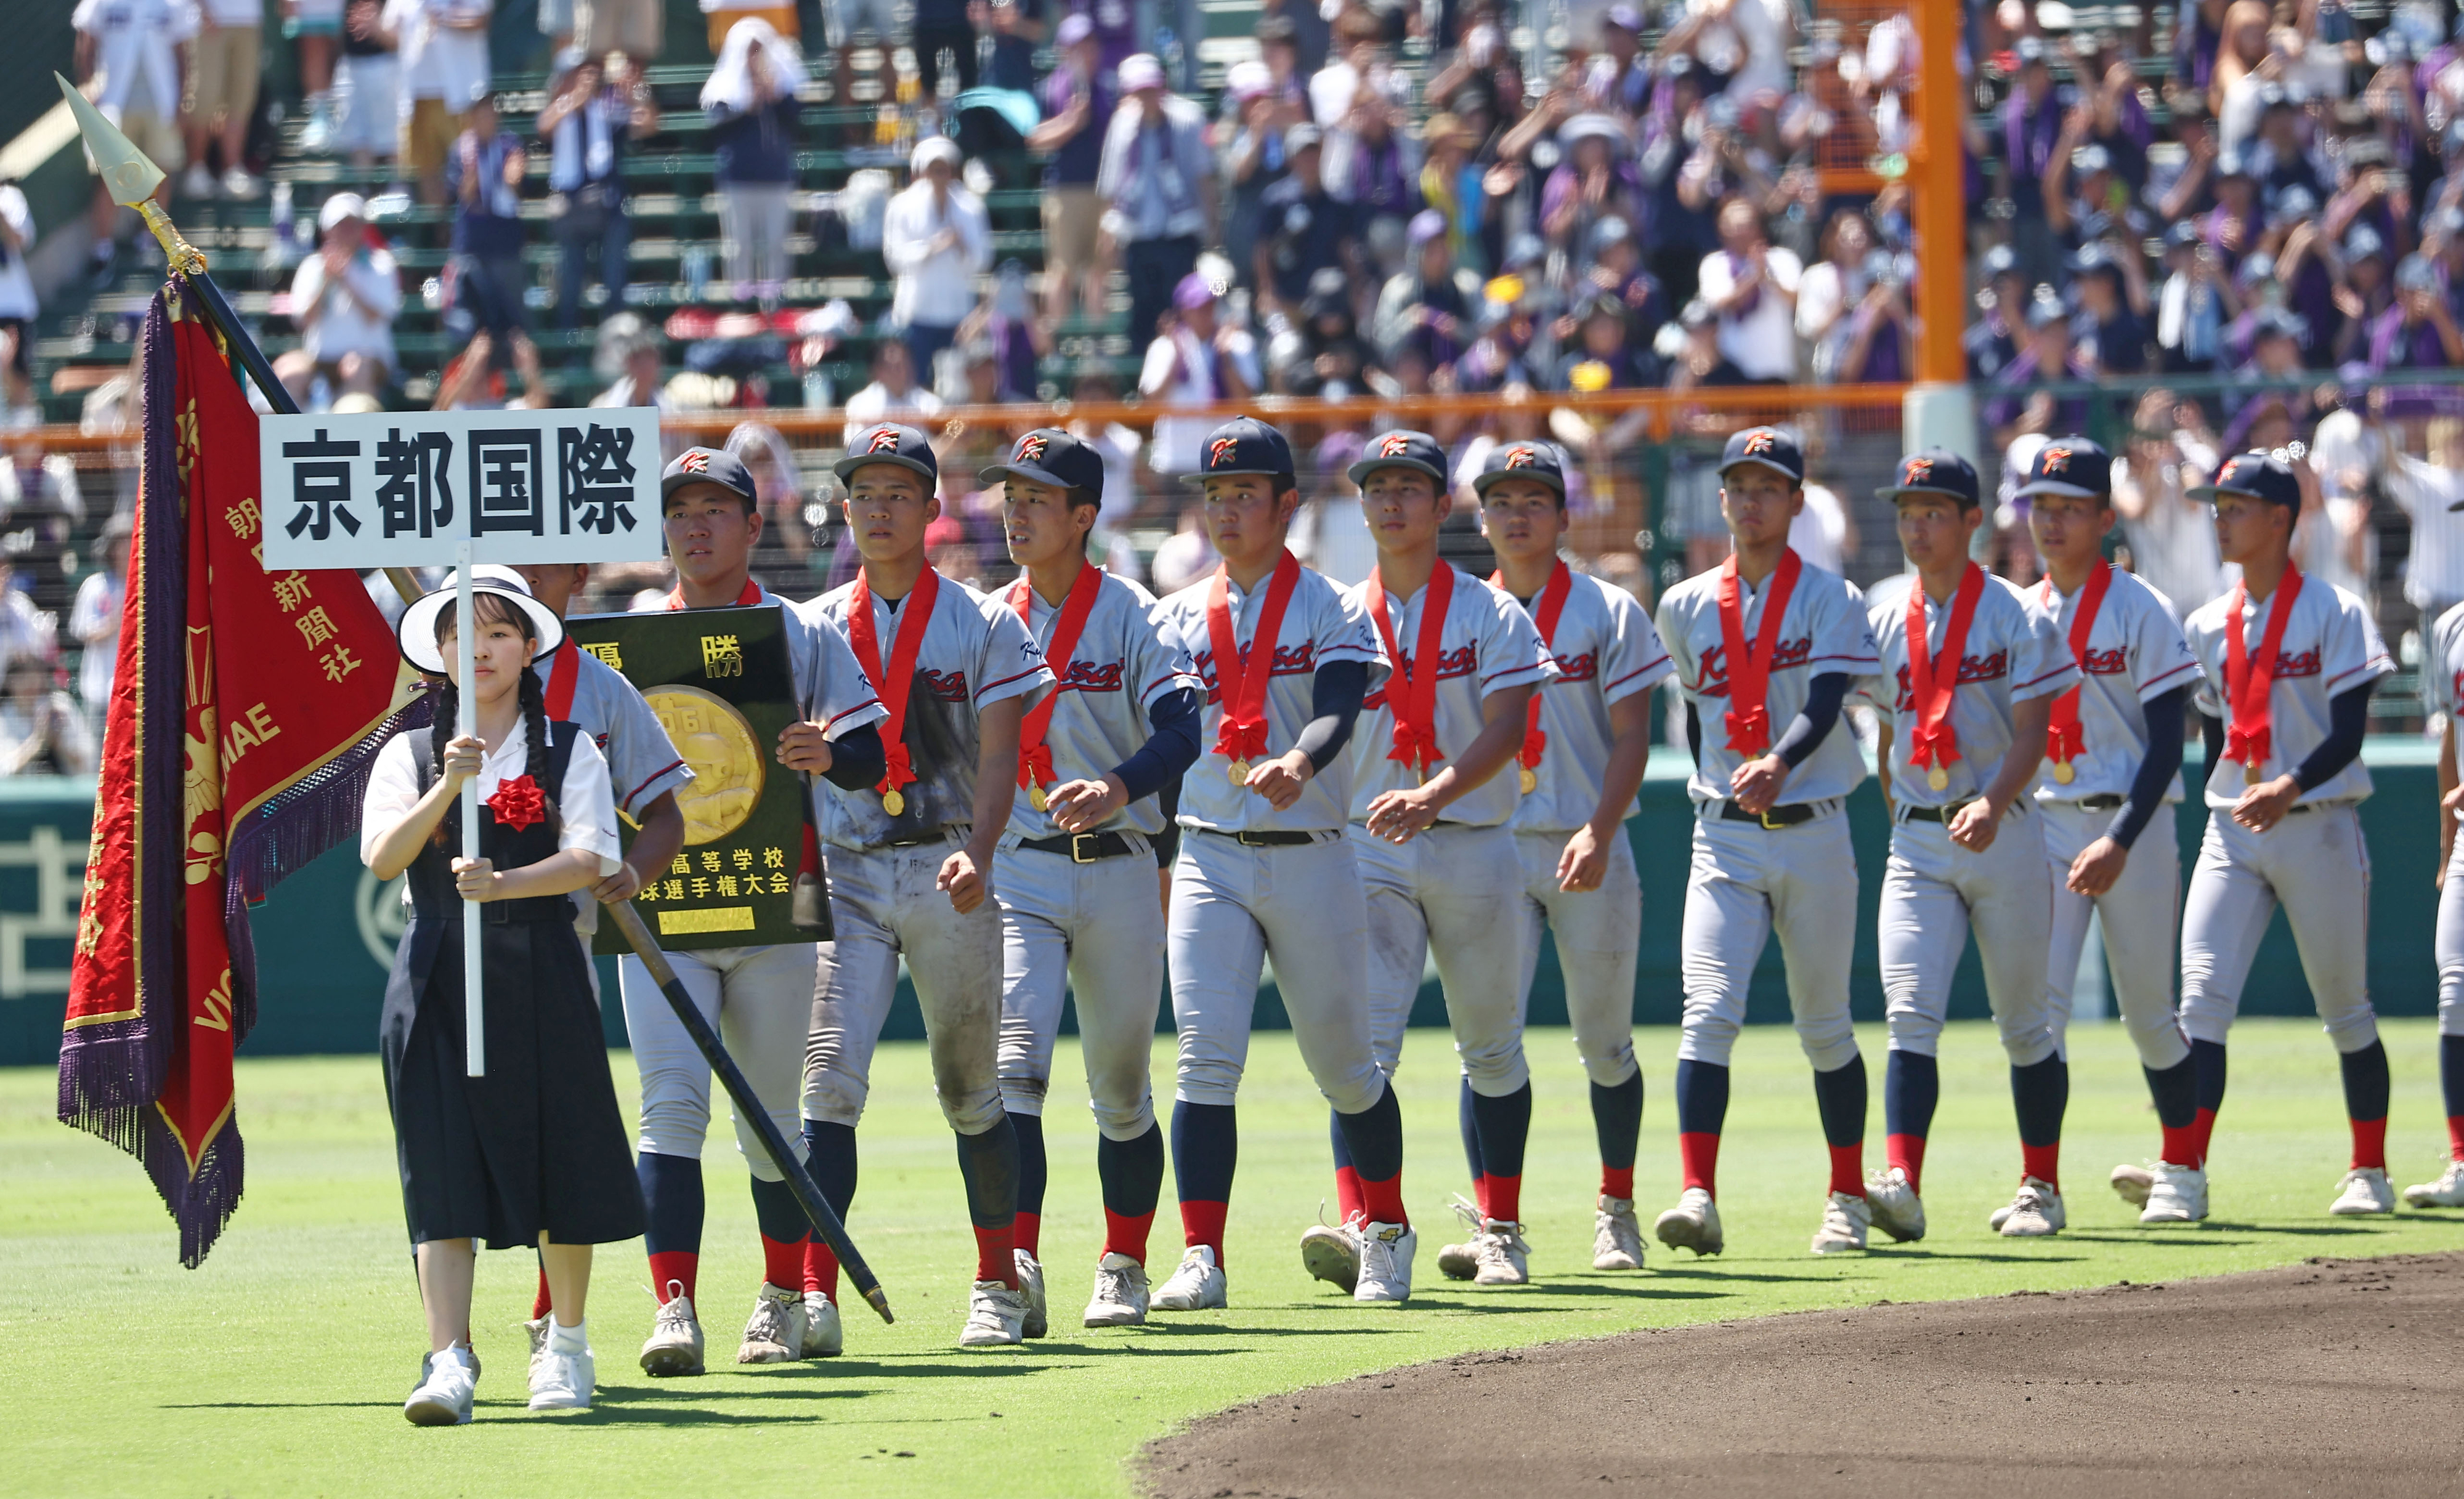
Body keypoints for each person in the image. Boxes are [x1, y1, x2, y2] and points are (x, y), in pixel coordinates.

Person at [622, 450, 891, 1373]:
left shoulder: (797, 629)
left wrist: (829, 749)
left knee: (771, 1118)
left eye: (715, 509)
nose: (696, 526)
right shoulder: (629, 638)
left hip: (774, 900)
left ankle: (779, 1296)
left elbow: (872, 754)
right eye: (680, 511)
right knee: (669, 1109)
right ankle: (674, 1309)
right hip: (664, 903)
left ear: (749, 524)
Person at [360, 576, 641, 1421]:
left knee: (563, 1156)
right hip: (435, 973)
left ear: (529, 647)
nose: (478, 649)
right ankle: (449, 1357)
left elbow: (591, 857)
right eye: (460, 635)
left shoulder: (570, 747)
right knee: (440, 1167)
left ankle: (567, 1346)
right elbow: (381, 856)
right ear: (437, 653)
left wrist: (505, 882)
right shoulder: (407, 753)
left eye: (498, 632)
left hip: (543, 964)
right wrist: (448, 786)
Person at [1148, 416, 1411, 1310]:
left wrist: (1302, 759)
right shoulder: (1177, 612)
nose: (1225, 510)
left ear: (1287, 504)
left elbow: (1340, 706)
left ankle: (1385, 1228)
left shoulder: (1333, 603)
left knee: (1345, 1065)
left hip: (1313, 854)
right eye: (1214, 495)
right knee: (1203, 1062)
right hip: (1210, 852)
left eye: (1245, 494)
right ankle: (1202, 1256)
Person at [800, 423, 1053, 1348]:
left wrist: (982, 852)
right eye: (863, 492)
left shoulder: (984, 620)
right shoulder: (816, 625)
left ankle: (996, 1279)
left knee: (969, 1088)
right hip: (850, 868)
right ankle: (814, 1295)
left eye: (897, 492)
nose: (876, 507)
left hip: (948, 862)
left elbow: (999, 755)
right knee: (826, 1083)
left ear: (930, 509)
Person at [1311, 431, 1551, 1291]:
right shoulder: (1338, 611)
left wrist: (1435, 794)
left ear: (1441, 504)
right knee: (1360, 1049)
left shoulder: (1491, 611)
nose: (1391, 501)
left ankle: (1502, 1227)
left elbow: (1507, 727)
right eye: (1378, 486)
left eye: (1410, 486)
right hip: (1371, 846)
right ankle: (1370, 1225)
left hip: (1474, 842)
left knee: (1491, 1049)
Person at [984, 429, 1203, 1329]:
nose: (1017, 512)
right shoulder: (985, 616)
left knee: (1120, 1088)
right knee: (1014, 1069)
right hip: (1019, 870)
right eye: (1011, 496)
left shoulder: (1137, 613)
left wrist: (1118, 785)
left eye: (1038, 498)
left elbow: (1183, 732)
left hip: (1116, 866)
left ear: (1084, 515)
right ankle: (1014, 1268)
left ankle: (1122, 1262)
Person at [1651, 427, 1879, 1256]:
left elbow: (1826, 701)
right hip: (1725, 836)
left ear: (1796, 501)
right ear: (1722, 500)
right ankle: (1697, 1195)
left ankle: (1848, 1197)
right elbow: (1697, 708)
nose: (1750, 501)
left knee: (1824, 1025)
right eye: (1738, 487)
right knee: (1706, 1015)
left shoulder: (1830, 596)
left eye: (1768, 487)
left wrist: (1779, 759)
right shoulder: (1682, 606)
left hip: (1814, 826)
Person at [1858, 450, 2081, 1245]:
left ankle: (2041, 1186)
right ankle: (1903, 1187)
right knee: (1908, 1015)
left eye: (1934, 511)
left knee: (2024, 1023)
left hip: (2007, 831)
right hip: (1919, 839)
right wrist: (1908, 817)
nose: (1917, 526)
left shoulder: (2019, 612)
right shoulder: (1885, 616)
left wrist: (1989, 800)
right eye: (1907, 511)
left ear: (1971, 520)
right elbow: (1885, 736)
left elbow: (2037, 730)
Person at [2176, 451, 2397, 1218]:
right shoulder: (2207, 620)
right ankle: (2184, 1172)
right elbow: (2212, 736)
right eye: (2217, 504)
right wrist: (2230, 797)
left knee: (2344, 1006)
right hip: (2232, 829)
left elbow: (2348, 732)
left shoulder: (2336, 611)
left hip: (2318, 823)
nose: (2219, 516)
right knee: (2199, 1001)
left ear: (2280, 517)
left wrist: (2289, 785)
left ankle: (2368, 1169)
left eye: (2235, 505)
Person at [1472, 439, 1667, 1269]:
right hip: (1487, 846)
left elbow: (1635, 736)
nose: (1517, 515)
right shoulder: (1462, 611)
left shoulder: (1607, 609)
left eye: (1534, 500)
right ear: (1481, 518)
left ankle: (1616, 1207)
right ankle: (1497, 1227)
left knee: (1606, 1041)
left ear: (1562, 514)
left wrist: (1600, 826)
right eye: (1502, 501)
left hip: (1586, 839)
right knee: (1487, 1043)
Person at [489, 562, 691, 1349]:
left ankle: (554, 1320)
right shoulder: (435, 683)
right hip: (451, 937)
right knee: (454, 1130)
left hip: (560, 937)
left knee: (556, 1126)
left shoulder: (602, 691)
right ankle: (449, 1341)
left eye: (544, 560)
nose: (525, 577)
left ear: (577, 572)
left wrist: (636, 870)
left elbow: (665, 812)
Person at [2011, 441, 2209, 1228]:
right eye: (2040, 505)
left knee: (2147, 1011)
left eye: (2067, 507)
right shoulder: (2017, 611)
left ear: (2102, 516)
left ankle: (2184, 1170)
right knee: (2038, 1012)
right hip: (2046, 822)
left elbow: (2169, 742)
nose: (2050, 521)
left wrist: (2121, 837)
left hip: (2134, 822)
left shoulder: (2141, 607)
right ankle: (2039, 1186)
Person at [72, 0, 195, 287]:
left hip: (161, 101)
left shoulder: (172, 4)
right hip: (115, 102)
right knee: (110, 178)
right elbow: (87, 41)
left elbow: (183, 53)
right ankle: (102, 250)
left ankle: (150, 242)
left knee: (161, 173)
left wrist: (183, 99)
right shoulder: (101, 3)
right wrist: (88, 86)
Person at [1098, 54, 1214, 350]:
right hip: (1138, 237)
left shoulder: (1189, 119)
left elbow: (1204, 178)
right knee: (1144, 312)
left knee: (1184, 305)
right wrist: (1108, 235)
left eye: (1151, 88)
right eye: (1139, 91)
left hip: (1180, 234)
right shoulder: (1122, 125)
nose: (1146, 97)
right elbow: (1112, 184)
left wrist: (1213, 229)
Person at [540, 49, 657, 329]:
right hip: (572, 208)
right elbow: (543, 128)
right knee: (570, 284)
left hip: (608, 206)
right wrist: (574, 100)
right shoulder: (560, 112)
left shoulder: (608, 112)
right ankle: (569, 347)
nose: (586, 80)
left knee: (614, 281)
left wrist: (634, 93)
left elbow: (649, 124)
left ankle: (614, 342)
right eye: (578, 75)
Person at [2413, 597, 2464, 1210]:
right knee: (2454, 989)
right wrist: (2447, 842)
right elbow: (2451, 729)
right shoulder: (2452, 625)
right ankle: (2460, 1160)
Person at [702, 18, 803, 304]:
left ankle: (776, 301)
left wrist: (775, 95)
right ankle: (742, 302)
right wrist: (747, 106)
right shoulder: (724, 90)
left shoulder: (781, 88)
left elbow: (795, 120)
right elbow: (716, 128)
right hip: (738, 179)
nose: (755, 58)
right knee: (739, 245)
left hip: (776, 177)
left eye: (760, 51)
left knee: (776, 243)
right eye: (750, 51)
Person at [1029, 14, 1116, 327]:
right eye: (1077, 46)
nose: (1085, 51)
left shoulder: (1109, 88)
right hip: (1066, 190)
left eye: (1089, 44)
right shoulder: (1049, 88)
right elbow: (1035, 139)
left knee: (1099, 272)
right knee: (1061, 271)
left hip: (1103, 190)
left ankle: (1098, 345)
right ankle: (1057, 340)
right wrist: (1071, 123)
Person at [883, 136, 992, 381]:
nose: (939, 175)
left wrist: (961, 247)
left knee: (956, 391)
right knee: (916, 385)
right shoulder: (901, 207)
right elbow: (895, 258)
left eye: (944, 169)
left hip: (958, 314)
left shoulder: (971, 207)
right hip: (916, 313)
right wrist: (932, 248)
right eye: (933, 169)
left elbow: (983, 259)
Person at [1140, 273, 1258, 477]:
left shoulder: (1238, 343)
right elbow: (1152, 402)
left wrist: (1225, 358)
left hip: (1228, 458)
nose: (1205, 312)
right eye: (1197, 307)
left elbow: (1246, 401)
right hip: (1177, 460)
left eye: (1209, 305)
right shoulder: (1163, 347)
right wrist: (1177, 358)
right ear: (1183, 311)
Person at [382, 0, 492, 208]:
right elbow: (392, 33)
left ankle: (467, 225)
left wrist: (443, 21)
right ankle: (442, 231)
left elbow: (481, 20)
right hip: (417, 95)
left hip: (461, 95)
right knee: (428, 170)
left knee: (468, 166)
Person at [443, 95, 528, 344]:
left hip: (505, 243)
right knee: (472, 317)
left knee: (513, 315)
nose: (486, 120)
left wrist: (515, 176)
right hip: (471, 245)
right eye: (480, 114)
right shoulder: (460, 150)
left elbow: (516, 186)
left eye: (490, 114)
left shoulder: (510, 145)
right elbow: (463, 194)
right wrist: (471, 171)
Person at [1696, 197, 1802, 382]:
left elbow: (1795, 300)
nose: (1742, 232)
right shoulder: (1714, 263)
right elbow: (1719, 304)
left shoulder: (1783, 259)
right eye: (1734, 226)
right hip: (1731, 367)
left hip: (1775, 367)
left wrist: (1768, 277)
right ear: (1721, 229)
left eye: (1747, 224)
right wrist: (1753, 278)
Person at [182, 0, 264, 200]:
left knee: (240, 98)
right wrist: (202, 8)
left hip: (249, 20)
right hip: (207, 19)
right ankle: (195, 170)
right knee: (204, 98)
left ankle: (233, 170)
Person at [70, 515, 131, 729]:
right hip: (99, 691)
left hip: (137, 692)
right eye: (121, 543)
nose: (127, 549)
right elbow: (83, 631)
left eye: (132, 541)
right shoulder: (95, 586)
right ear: (111, 549)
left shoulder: (148, 586)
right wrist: (113, 622)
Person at [0, 657, 95, 776]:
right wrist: (37, 743)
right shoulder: (4, 715)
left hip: (65, 789)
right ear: (9, 682)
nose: (29, 682)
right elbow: (4, 771)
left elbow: (87, 761)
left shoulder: (60, 705)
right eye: (21, 675)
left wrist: (57, 741)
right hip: (19, 791)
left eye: (34, 674)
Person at [840, 339, 944, 440]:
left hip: (921, 457)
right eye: (890, 367)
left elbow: (945, 437)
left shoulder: (929, 402)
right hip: (876, 457)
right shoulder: (859, 404)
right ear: (877, 370)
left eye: (901, 365)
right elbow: (853, 443)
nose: (897, 372)